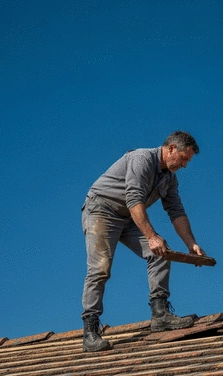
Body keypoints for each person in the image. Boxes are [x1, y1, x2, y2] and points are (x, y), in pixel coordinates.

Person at [81, 131, 206, 352]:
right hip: (102, 210)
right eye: (184, 159)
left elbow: (176, 211)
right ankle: (90, 331)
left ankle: (160, 315)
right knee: (100, 268)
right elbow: (133, 198)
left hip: (128, 216)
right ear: (170, 149)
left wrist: (191, 243)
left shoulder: (169, 178)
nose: (185, 165)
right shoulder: (142, 159)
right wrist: (151, 236)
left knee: (160, 252)